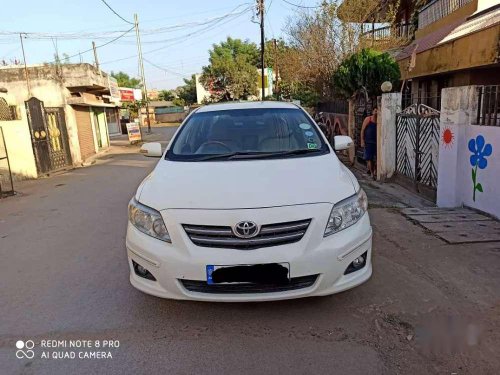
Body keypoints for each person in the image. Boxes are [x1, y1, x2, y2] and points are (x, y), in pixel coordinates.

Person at [360, 108, 378, 180]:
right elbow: (363, 130)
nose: (376, 112)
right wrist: (362, 140)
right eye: (375, 111)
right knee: (369, 158)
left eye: (378, 111)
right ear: (372, 111)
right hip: (368, 142)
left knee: (376, 158)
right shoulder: (368, 119)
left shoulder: (379, 120)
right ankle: (372, 173)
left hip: (376, 142)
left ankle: (374, 171)